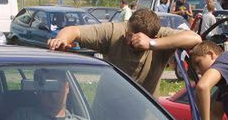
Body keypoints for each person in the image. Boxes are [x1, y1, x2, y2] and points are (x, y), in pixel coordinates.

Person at [48, 9, 201, 97]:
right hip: (107, 118)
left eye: (133, 37)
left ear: (151, 36)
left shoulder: (160, 37)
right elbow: (73, 30)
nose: (127, 38)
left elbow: (194, 38)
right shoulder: (115, 31)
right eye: (128, 33)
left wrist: (152, 44)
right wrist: (61, 39)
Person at [3, 68, 89, 120]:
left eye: (55, 87)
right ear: (37, 90)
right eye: (47, 88)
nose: (52, 95)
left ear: (67, 87)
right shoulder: (23, 118)